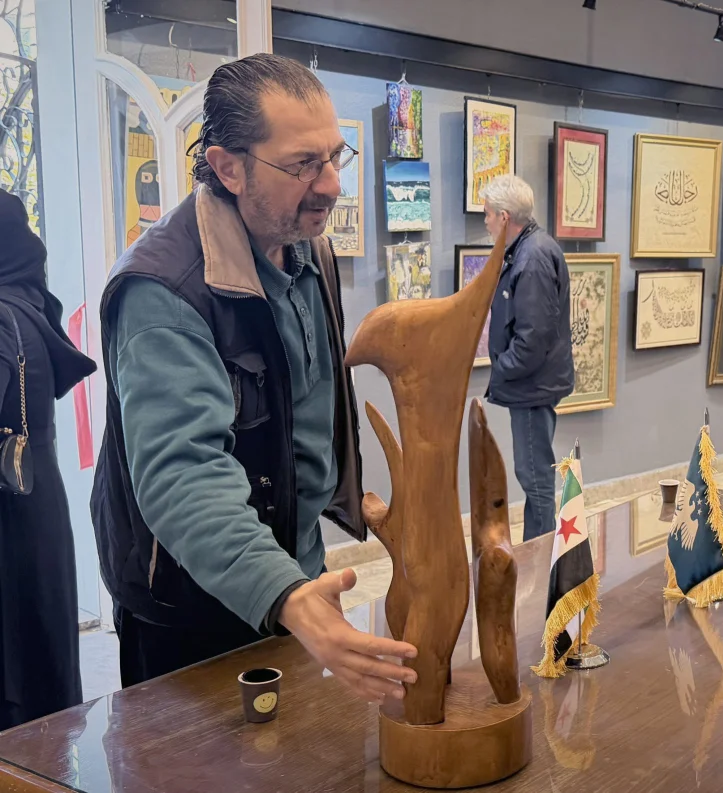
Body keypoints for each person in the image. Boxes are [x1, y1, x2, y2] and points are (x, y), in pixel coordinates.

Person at [91, 53, 417, 702]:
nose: (332, 186)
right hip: (192, 609)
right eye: (303, 165)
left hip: (296, 579)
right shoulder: (163, 290)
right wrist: (287, 593)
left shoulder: (309, 247)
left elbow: (309, 417)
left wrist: (307, 575)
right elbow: (183, 475)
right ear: (228, 167)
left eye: (335, 156)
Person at [0, 191, 96, 730]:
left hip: (10, 518)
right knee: (39, 649)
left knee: (16, 660)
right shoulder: (26, 307)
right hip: (33, 500)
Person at [480, 174, 573, 540]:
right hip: (530, 384)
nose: (485, 222)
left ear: (504, 217)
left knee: (534, 479)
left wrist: (501, 371)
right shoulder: (528, 250)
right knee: (534, 476)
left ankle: (541, 559)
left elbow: (533, 338)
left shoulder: (532, 258)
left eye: (488, 214)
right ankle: (539, 554)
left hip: (531, 387)